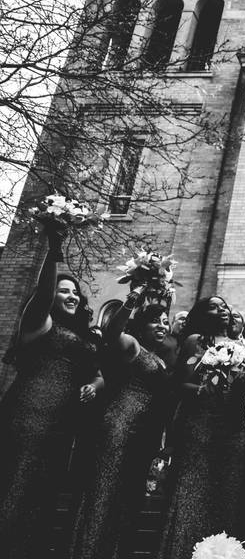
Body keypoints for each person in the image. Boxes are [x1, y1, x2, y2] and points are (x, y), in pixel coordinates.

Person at [0, 222, 100, 559]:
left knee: (41, 491)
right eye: (64, 290)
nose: (72, 296)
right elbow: (42, 294)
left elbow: (98, 374)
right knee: (16, 482)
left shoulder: (83, 336)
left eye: (75, 292)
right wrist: (55, 249)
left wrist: (94, 384)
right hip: (30, 414)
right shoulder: (39, 323)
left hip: (62, 423)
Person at [70, 286, 172, 559]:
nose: (163, 326)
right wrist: (131, 302)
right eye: (156, 321)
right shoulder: (131, 345)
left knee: (124, 498)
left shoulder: (160, 358)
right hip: (119, 425)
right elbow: (112, 333)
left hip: (143, 434)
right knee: (103, 491)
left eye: (166, 322)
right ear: (142, 324)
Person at [158, 296, 245, 559]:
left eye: (225, 306)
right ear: (203, 314)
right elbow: (178, 384)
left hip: (234, 428)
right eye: (214, 307)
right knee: (193, 491)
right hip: (200, 424)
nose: (222, 310)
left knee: (227, 493)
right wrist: (206, 389)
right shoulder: (195, 341)